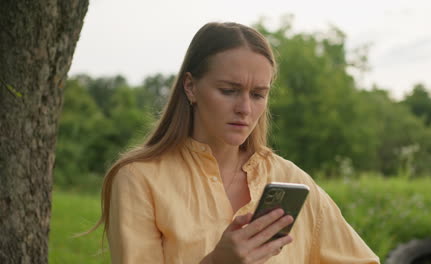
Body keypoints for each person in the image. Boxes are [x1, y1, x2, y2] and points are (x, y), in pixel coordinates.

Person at [96, 22, 380, 264]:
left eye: (258, 94)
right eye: (229, 91)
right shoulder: (140, 179)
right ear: (190, 87)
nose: (245, 108)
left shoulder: (290, 179)